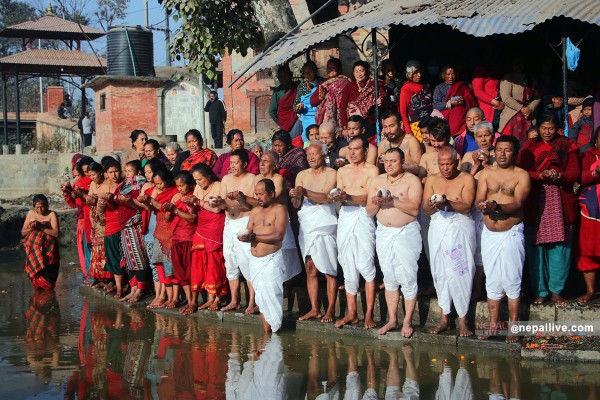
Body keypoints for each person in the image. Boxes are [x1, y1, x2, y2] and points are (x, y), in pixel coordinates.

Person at [518, 113, 580, 305]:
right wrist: (539, 175)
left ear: (558, 129)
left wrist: (558, 175)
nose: (547, 132)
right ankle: (541, 291)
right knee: (536, 247)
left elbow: (574, 172)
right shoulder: (530, 145)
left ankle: (556, 291)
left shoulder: (567, 144)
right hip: (536, 201)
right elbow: (521, 170)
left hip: (559, 200)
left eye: (551, 128)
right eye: (543, 128)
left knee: (560, 248)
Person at [475, 135, 531, 343]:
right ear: (493, 151)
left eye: (507, 150)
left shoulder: (521, 175)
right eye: (499, 149)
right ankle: (493, 325)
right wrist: (482, 205)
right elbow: (478, 199)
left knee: (512, 279)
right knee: (492, 279)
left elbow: (518, 203)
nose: (502, 153)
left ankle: (514, 327)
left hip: (511, 232)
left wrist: (496, 206)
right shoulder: (486, 174)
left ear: (514, 152)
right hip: (490, 233)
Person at [367, 148, 423, 337]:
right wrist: (376, 201)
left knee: (407, 277)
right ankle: (392, 320)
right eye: (386, 161)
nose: (389, 165)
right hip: (384, 232)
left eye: (393, 161)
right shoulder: (377, 181)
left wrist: (392, 201)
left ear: (402, 162)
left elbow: (415, 209)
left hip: (406, 233)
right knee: (389, 277)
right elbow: (369, 211)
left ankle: (407, 321)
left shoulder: (411, 180)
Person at [423, 146, 476, 336]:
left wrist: (447, 203)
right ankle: (445, 317)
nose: (445, 168)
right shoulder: (432, 179)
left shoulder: (466, 178)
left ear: (457, 161)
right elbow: (426, 210)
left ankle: (463, 319)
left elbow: (467, 205)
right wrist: (432, 204)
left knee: (461, 270)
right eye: (442, 164)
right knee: (440, 271)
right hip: (438, 227)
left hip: (459, 226)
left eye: (449, 164)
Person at [332, 136, 380, 329]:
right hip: (346, 216)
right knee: (347, 262)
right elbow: (338, 195)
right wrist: (337, 198)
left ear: (365, 151)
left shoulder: (373, 170)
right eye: (349, 149)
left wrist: (348, 196)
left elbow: (369, 197)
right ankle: (352, 313)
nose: (352, 153)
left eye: (356, 149)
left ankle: (368, 314)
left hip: (362, 216)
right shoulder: (342, 171)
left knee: (365, 262)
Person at [290, 142, 339, 323]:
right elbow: (297, 205)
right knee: (310, 267)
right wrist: (295, 197)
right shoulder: (301, 175)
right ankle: (315, 309)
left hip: (326, 222)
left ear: (323, 155)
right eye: (308, 154)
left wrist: (305, 192)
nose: (310, 157)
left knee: (329, 268)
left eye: (314, 154)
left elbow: (327, 198)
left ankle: (331, 310)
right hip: (308, 224)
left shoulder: (332, 173)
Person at [238, 179, 288, 333]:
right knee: (261, 298)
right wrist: (244, 237)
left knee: (272, 296)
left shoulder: (280, 209)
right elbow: (249, 230)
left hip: (271, 260)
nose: (258, 197)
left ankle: (276, 334)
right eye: (256, 194)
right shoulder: (254, 211)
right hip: (255, 261)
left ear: (272, 194)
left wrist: (254, 238)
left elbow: (279, 235)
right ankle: (267, 334)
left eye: (261, 194)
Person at [213, 149, 257, 312]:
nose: (231, 166)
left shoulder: (252, 179)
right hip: (229, 222)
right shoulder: (225, 179)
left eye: (235, 163)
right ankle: (234, 300)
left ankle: (253, 301)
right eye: (230, 163)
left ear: (244, 164)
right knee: (230, 260)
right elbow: (224, 203)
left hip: (245, 221)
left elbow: (252, 205)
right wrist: (218, 203)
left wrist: (240, 198)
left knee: (247, 261)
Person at [184, 163, 227, 313]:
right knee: (198, 261)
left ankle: (217, 298)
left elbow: (217, 208)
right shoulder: (197, 188)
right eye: (195, 180)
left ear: (208, 176)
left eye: (200, 180)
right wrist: (190, 204)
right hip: (201, 226)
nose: (198, 183)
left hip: (215, 225)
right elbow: (194, 210)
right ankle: (199, 300)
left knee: (214, 262)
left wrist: (198, 202)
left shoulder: (219, 186)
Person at [138, 168, 180, 308]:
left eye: (160, 183)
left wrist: (151, 200)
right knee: (159, 265)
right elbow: (150, 208)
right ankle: (163, 297)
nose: (158, 186)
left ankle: (174, 298)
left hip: (170, 234)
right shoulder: (157, 190)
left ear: (167, 181)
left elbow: (165, 208)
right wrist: (145, 200)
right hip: (158, 233)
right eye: (156, 184)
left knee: (171, 267)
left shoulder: (175, 192)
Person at [113, 160, 151, 303]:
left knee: (138, 258)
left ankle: (140, 289)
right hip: (124, 226)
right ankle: (133, 288)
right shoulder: (123, 185)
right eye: (126, 170)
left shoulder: (140, 184)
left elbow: (142, 205)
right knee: (129, 260)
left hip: (134, 224)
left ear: (138, 172)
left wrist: (128, 201)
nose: (127, 173)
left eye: (130, 171)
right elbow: (116, 199)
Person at [162, 171, 198, 314]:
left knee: (191, 272)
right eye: (178, 186)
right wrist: (169, 212)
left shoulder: (192, 198)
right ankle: (189, 300)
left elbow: (192, 218)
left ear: (190, 185)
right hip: (176, 239)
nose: (180, 189)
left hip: (189, 239)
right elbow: (166, 219)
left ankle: (193, 302)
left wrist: (175, 210)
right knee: (180, 272)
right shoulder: (178, 198)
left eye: (182, 186)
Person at [577, 128, 600, 303]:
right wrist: (595, 173)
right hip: (591, 210)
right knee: (588, 249)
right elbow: (581, 178)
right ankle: (590, 290)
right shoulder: (588, 155)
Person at [98, 159, 126, 298]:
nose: (114, 175)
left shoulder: (126, 184)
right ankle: (120, 288)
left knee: (128, 257)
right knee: (114, 257)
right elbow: (100, 210)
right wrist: (104, 202)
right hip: (111, 226)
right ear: (106, 174)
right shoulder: (104, 187)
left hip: (126, 224)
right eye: (111, 172)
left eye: (116, 171)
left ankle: (129, 285)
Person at [83, 162, 113, 288]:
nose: (92, 177)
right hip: (96, 221)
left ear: (100, 172)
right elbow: (89, 200)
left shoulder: (107, 183)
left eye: (93, 174)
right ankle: (100, 277)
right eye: (90, 175)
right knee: (97, 248)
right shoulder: (93, 184)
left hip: (106, 220)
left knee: (106, 248)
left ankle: (109, 278)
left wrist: (91, 198)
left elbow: (105, 200)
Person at [21, 194, 60, 290]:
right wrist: (32, 228)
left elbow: (56, 233)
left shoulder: (51, 214)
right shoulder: (30, 214)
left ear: (47, 206)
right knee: (38, 278)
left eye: (42, 207)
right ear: (34, 207)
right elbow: (23, 232)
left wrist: (41, 227)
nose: (40, 210)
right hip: (35, 253)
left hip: (48, 252)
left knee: (49, 280)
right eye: (37, 207)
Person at [498, 57, 540, 143]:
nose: (519, 66)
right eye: (516, 63)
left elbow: (537, 97)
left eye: (521, 63)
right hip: (512, 116)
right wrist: (521, 108)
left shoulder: (531, 79)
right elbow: (506, 98)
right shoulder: (508, 78)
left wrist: (530, 108)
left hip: (528, 116)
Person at [339, 60, 386, 136]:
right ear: (353, 73)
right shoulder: (349, 86)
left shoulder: (375, 84)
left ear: (367, 71)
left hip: (370, 122)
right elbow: (342, 106)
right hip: (353, 123)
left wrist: (381, 101)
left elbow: (383, 97)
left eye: (361, 71)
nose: (359, 74)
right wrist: (344, 126)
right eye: (356, 71)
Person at [433, 66, 477, 137]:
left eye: (453, 74)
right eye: (448, 74)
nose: (451, 77)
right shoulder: (439, 88)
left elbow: (472, 102)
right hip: (446, 120)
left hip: (462, 119)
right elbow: (435, 105)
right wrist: (450, 103)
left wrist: (464, 100)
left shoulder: (462, 86)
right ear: (443, 76)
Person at [310, 58, 351, 134]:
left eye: (333, 68)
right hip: (325, 117)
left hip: (341, 117)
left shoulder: (345, 82)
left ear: (339, 70)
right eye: (328, 68)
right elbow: (312, 101)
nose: (330, 70)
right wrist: (321, 97)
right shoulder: (324, 83)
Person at [399, 60, 433, 140]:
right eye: (416, 73)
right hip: (416, 125)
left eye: (420, 72)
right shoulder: (406, 88)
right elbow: (403, 111)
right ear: (410, 74)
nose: (419, 75)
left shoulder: (426, 85)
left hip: (430, 122)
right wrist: (408, 131)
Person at [472, 49, 504, 129]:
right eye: (490, 54)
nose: (493, 57)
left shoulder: (498, 69)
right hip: (488, 108)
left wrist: (502, 103)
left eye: (495, 54)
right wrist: (494, 102)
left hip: (501, 107)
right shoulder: (480, 70)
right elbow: (478, 91)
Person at [294, 61, 324, 144]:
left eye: (310, 72)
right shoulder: (302, 86)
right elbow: (295, 106)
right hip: (307, 120)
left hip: (321, 117)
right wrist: (299, 106)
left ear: (315, 71)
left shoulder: (323, 83)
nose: (308, 75)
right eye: (306, 73)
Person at [269, 65, 301, 138]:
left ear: (291, 75)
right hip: (284, 124)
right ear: (278, 78)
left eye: (285, 75)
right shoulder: (277, 92)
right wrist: (280, 122)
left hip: (296, 120)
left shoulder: (298, 87)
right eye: (281, 77)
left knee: (296, 142)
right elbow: (271, 111)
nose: (283, 78)